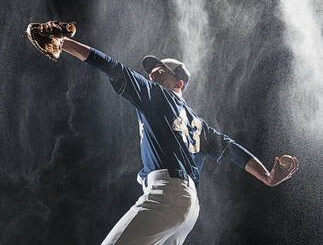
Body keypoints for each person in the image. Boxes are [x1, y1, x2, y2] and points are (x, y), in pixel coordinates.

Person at [61, 37, 299, 245]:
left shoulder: (156, 95)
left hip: (167, 195)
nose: (152, 74)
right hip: (188, 207)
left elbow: (112, 67)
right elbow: (233, 151)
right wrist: (267, 177)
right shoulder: (200, 125)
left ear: (178, 84)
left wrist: (64, 42)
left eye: (160, 72)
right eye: (151, 72)